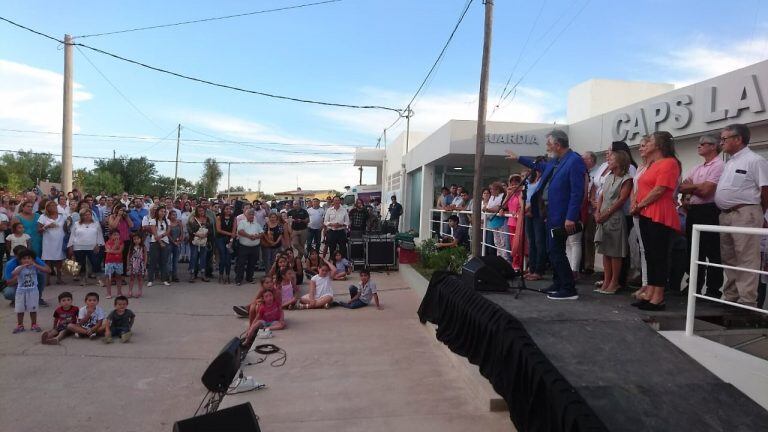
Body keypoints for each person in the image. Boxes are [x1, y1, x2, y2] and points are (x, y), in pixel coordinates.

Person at [508, 129, 586, 300]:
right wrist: (520, 158)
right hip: (551, 214)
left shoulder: (574, 161)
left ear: (558, 145)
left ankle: (568, 288)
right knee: (553, 250)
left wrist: (571, 217)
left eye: (549, 144)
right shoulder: (557, 161)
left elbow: (577, 192)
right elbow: (540, 166)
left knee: (556, 250)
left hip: (563, 215)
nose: (547, 147)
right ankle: (559, 283)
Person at [714, 123, 768, 307]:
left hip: (745, 213)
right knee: (729, 258)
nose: (721, 143)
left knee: (746, 258)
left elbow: (765, 190)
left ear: (738, 139)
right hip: (726, 215)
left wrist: (761, 214)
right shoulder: (730, 162)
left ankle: (746, 302)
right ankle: (731, 298)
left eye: (724, 139)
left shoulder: (755, 160)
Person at [630, 131, 681, 311]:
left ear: (659, 145)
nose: (646, 143)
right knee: (650, 255)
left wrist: (640, 204)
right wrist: (637, 204)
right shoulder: (652, 164)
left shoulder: (670, 163)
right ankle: (649, 292)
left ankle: (658, 297)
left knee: (658, 256)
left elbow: (660, 189)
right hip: (646, 213)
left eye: (650, 141)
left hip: (660, 213)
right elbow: (641, 186)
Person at [678, 133, 725, 298]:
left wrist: (692, 188)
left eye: (703, 144)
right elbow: (682, 187)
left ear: (713, 146)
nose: (699, 146)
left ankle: (713, 291)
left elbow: (706, 191)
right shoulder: (698, 167)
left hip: (710, 211)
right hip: (694, 211)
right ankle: (693, 287)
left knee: (713, 252)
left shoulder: (719, 165)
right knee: (694, 250)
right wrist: (694, 188)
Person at [594, 150, 633, 294]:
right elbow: (601, 196)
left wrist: (606, 214)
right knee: (605, 251)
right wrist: (597, 212)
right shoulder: (609, 177)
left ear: (620, 161)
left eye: (611, 159)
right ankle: (606, 280)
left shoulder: (627, 179)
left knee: (615, 252)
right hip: (603, 217)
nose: (608, 161)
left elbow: (621, 200)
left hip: (615, 218)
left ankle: (614, 282)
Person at [11, 249, 50, 333]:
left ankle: (34, 324)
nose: (27, 260)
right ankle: (20, 325)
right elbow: (14, 273)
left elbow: (47, 270)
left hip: (33, 291)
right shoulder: (19, 268)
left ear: (32, 259)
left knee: (33, 308)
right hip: (21, 291)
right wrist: (22, 266)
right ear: (20, 260)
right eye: (24, 258)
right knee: (20, 309)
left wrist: (36, 265)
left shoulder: (34, 267)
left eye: (29, 258)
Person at [67, 209, 104, 286]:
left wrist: (98, 244)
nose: (87, 216)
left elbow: (99, 235)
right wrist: (70, 246)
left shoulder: (96, 224)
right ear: (82, 216)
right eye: (85, 215)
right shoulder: (76, 224)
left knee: (96, 263)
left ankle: (98, 279)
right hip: (78, 247)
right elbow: (72, 235)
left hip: (93, 247)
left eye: (89, 214)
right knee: (81, 264)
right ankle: (83, 279)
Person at [582, 151, 599, 274]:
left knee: (589, 236)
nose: (582, 160)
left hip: (593, 208)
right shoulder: (582, 172)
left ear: (591, 159)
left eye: (585, 158)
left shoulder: (598, 172)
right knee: (580, 236)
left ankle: (589, 265)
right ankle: (580, 263)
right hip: (582, 207)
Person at [235, 209, 263, 286]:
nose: (251, 216)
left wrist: (256, 236)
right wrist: (249, 236)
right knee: (241, 264)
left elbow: (262, 233)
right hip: (244, 247)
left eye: (252, 214)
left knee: (252, 263)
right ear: (246, 215)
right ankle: (238, 279)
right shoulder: (242, 222)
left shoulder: (256, 224)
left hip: (255, 247)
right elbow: (240, 231)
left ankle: (249, 278)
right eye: (249, 214)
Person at [107, 204, 133, 279]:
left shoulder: (125, 217)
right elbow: (113, 226)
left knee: (124, 257)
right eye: (122, 210)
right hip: (116, 240)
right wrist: (118, 216)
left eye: (124, 209)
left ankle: (122, 274)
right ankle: (114, 274)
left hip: (126, 239)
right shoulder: (112, 216)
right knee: (115, 257)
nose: (123, 211)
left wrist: (127, 216)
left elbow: (131, 225)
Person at [146, 206, 170, 287]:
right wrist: (160, 241)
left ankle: (164, 279)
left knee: (164, 261)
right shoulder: (153, 221)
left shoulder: (167, 221)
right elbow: (154, 232)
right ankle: (150, 280)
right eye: (161, 211)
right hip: (155, 242)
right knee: (153, 261)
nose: (163, 213)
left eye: (164, 211)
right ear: (158, 212)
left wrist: (161, 236)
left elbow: (168, 231)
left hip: (165, 241)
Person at [188, 205, 212, 283]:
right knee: (193, 257)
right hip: (195, 240)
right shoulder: (192, 219)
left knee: (203, 257)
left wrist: (206, 234)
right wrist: (197, 234)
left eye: (202, 210)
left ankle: (203, 274)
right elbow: (189, 229)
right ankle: (192, 274)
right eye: (200, 211)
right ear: (197, 212)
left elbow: (210, 229)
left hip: (204, 241)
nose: (201, 212)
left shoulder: (207, 219)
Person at [483, 182, 505, 257]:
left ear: (498, 189)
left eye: (492, 189)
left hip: (500, 221)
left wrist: (488, 209)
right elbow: (489, 207)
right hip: (492, 221)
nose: (491, 191)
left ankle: (504, 258)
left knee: (503, 242)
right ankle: (499, 256)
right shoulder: (492, 197)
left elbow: (498, 207)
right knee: (497, 242)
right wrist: (487, 209)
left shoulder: (502, 196)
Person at [215, 204, 236, 284]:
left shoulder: (234, 218)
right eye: (226, 209)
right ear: (223, 210)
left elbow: (234, 231)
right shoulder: (219, 217)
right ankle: (220, 274)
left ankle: (227, 275)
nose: (228, 210)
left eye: (229, 209)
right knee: (223, 257)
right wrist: (230, 234)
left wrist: (231, 240)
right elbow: (219, 230)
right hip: (220, 239)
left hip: (229, 240)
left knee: (228, 258)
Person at [102, 231, 124, 299]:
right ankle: (109, 293)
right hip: (109, 262)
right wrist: (116, 245)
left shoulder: (121, 242)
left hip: (118, 262)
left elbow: (119, 251)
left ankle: (119, 292)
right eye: (114, 235)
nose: (116, 236)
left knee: (119, 277)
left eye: (118, 234)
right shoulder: (107, 242)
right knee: (108, 277)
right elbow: (109, 249)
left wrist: (111, 251)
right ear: (110, 236)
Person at [126, 233, 146, 298]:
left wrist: (145, 264)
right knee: (132, 278)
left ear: (141, 239)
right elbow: (128, 255)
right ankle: (130, 291)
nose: (136, 240)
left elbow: (145, 256)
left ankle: (140, 291)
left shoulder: (143, 247)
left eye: (138, 239)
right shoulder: (131, 247)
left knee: (140, 278)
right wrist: (128, 264)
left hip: (140, 264)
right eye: (134, 239)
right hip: (133, 264)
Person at [166, 210, 183, 283]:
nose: (174, 216)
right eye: (173, 215)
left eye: (175, 215)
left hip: (177, 243)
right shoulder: (167, 222)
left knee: (175, 260)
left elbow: (181, 232)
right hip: (169, 243)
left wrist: (179, 241)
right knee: (169, 260)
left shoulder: (179, 222)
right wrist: (173, 242)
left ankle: (175, 275)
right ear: (169, 215)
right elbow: (168, 234)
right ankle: (168, 275)